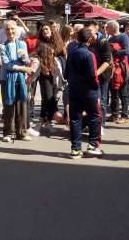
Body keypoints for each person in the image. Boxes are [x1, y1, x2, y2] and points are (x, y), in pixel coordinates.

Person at [65, 28, 103, 159]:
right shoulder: (89, 54)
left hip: (74, 89)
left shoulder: (71, 53)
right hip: (89, 91)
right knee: (95, 116)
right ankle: (93, 145)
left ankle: (75, 149)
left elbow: (66, 74)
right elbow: (93, 75)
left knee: (75, 119)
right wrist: (96, 88)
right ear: (89, 39)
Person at [0, 20, 33, 142]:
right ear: (5, 31)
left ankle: (21, 133)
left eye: (12, 29)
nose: (10, 31)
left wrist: (24, 57)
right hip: (7, 79)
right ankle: (8, 133)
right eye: (8, 29)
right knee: (9, 106)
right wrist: (23, 68)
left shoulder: (22, 44)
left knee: (22, 105)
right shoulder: (2, 46)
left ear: (16, 30)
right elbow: (7, 64)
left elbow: (27, 61)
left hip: (20, 79)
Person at [33, 24, 65, 135]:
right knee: (47, 97)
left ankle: (47, 121)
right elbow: (35, 56)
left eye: (46, 29)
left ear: (51, 31)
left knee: (53, 98)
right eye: (43, 30)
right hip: (44, 74)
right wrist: (43, 67)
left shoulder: (58, 43)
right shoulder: (40, 44)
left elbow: (64, 56)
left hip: (56, 75)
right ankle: (43, 121)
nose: (44, 31)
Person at [87, 23, 112, 134]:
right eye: (87, 31)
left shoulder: (103, 42)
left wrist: (96, 73)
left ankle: (101, 125)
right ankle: (91, 123)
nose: (89, 33)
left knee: (101, 100)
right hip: (90, 76)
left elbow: (107, 61)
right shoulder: (87, 42)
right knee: (91, 100)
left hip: (102, 75)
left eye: (90, 31)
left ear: (96, 31)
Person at [105, 20, 129, 123]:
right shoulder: (110, 38)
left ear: (113, 27)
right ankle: (114, 114)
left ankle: (124, 116)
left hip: (122, 68)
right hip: (113, 68)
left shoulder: (123, 37)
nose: (106, 29)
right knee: (114, 92)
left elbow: (127, 51)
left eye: (108, 27)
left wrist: (113, 51)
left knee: (123, 93)